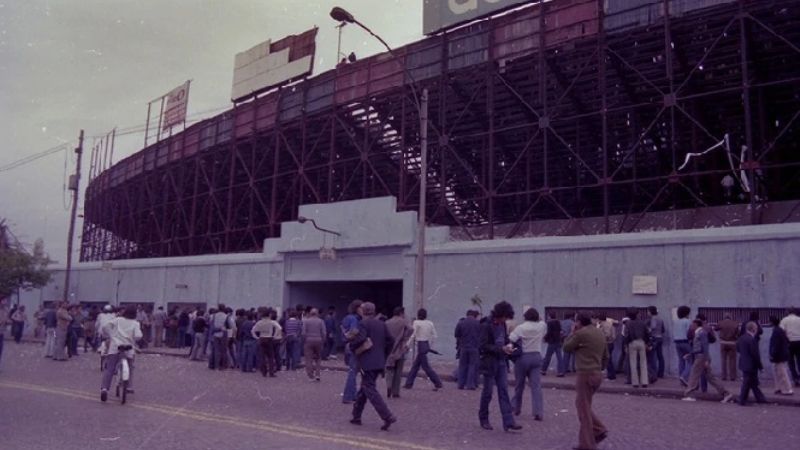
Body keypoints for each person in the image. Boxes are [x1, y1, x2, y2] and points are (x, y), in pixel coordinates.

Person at [564, 312, 609, 450]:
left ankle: (587, 444)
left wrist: (572, 332)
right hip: (597, 373)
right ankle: (598, 429)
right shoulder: (599, 332)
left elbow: (566, 347)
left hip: (584, 374)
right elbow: (606, 355)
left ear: (578, 322)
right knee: (584, 406)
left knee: (582, 409)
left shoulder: (580, 333)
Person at [348, 301, 397, 431]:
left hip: (366, 361)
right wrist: (384, 354)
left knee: (369, 388)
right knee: (364, 388)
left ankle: (387, 415)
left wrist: (351, 346)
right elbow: (391, 340)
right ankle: (356, 416)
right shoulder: (381, 324)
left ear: (363, 311)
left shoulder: (363, 323)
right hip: (379, 361)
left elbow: (360, 339)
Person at [478, 301, 521, 432]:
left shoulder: (502, 324)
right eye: (505, 317)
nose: (505, 320)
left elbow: (505, 338)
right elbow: (483, 346)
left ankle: (508, 422)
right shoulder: (486, 325)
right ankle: (484, 419)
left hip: (501, 361)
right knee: (488, 393)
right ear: (500, 314)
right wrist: (500, 349)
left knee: (503, 392)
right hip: (490, 362)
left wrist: (509, 345)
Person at [682, 319, 733, 403]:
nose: (691, 326)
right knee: (710, 377)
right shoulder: (699, 333)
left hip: (701, 358)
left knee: (694, 375)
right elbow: (699, 347)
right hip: (701, 357)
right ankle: (726, 393)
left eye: (692, 324)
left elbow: (705, 347)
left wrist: (705, 359)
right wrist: (690, 354)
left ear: (696, 324)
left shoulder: (701, 333)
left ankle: (689, 395)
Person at [509, 307, 546, 420]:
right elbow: (542, 320)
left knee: (519, 385)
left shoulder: (521, 327)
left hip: (523, 357)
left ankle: (516, 408)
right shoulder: (541, 326)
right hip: (536, 355)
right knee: (536, 386)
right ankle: (538, 412)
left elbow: (512, 338)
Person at [99, 305, 143, 402]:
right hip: (128, 347)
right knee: (130, 366)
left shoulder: (118, 320)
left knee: (109, 369)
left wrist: (112, 335)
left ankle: (105, 389)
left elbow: (105, 327)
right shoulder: (135, 323)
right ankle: (129, 386)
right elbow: (138, 336)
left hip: (115, 346)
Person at [404, 308, 444, 391]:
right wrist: (430, 345)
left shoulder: (416, 322)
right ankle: (408, 383)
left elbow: (413, 335)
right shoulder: (430, 323)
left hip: (420, 344)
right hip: (426, 344)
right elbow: (434, 336)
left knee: (426, 367)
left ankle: (438, 382)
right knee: (416, 366)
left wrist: (407, 344)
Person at [736, 321, 767, 406]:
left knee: (753, 383)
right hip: (751, 365)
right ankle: (742, 399)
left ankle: (760, 398)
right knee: (747, 383)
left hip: (743, 363)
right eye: (756, 328)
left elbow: (738, 349)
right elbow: (755, 355)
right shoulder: (752, 340)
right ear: (754, 329)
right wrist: (760, 367)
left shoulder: (741, 338)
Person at [385, 306, 412, 398]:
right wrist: (405, 337)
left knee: (389, 369)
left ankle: (388, 385)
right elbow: (411, 329)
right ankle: (395, 391)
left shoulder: (387, 322)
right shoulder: (403, 322)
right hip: (400, 348)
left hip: (389, 348)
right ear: (401, 313)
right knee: (398, 370)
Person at [341, 300, 363, 403]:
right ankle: (349, 395)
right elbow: (354, 332)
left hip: (347, 345)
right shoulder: (354, 319)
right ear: (357, 308)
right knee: (353, 372)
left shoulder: (347, 318)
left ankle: (353, 394)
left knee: (352, 370)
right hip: (353, 345)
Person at [455, 309, 481, 390]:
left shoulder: (461, 322)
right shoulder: (478, 323)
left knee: (462, 365)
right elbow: (481, 335)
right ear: (474, 315)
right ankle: (470, 384)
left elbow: (456, 334)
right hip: (474, 347)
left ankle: (460, 384)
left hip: (463, 347)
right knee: (472, 365)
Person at [768, 315, 794, 395]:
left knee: (782, 372)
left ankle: (788, 389)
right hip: (781, 354)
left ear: (772, 322)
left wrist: (772, 354)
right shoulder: (780, 330)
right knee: (778, 372)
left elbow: (775, 344)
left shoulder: (776, 331)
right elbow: (787, 341)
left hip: (779, 355)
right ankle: (779, 388)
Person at [625, 308, 650, 388]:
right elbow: (647, 333)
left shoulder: (628, 323)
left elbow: (627, 335)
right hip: (641, 342)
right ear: (637, 314)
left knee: (633, 363)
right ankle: (644, 382)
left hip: (632, 342)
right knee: (643, 362)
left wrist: (625, 345)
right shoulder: (642, 323)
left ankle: (635, 382)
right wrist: (647, 343)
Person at [252, 308, 281, 377]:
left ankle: (264, 372)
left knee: (262, 356)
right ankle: (271, 372)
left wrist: (256, 337)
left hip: (262, 338)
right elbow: (279, 328)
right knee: (271, 356)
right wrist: (274, 335)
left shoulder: (259, 322)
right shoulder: (271, 322)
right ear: (269, 315)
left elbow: (253, 330)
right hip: (269, 338)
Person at [302, 308, 326, 381]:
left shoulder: (306, 321)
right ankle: (317, 374)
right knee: (318, 358)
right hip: (319, 340)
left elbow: (303, 333)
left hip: (308, 340)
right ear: (317, 313)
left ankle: (310, 376)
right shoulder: (321, 321)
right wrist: (323, 341)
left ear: (310, 313)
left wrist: (304, 340)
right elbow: (324, 332)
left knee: (308, 359)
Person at [779, 307, 800, 387]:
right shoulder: (799, 319)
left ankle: (795, 379)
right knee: (799, 360)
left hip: (789, 342)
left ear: (788, 312)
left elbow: (781, 331)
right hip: (799, 341)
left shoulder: (784, 320)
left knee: (791, 362)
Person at [716, 314, 740, 381]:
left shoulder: (721, 322)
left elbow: (716, 328)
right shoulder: (735, 323)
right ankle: (732, 377)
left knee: (723, 360)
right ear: (731, 317)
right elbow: (738, 333)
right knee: (732, 360)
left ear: (724, 317)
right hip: (732, 343)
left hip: (723, 343)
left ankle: (724, 376)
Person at [673, 305, 693, 386]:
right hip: (686, 342)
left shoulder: (676, 321)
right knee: (690, 360)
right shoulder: (688, 321)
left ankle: (681, 378)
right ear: (686, 313)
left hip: (677, 342)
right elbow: (690, 332)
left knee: (681, 361)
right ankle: (684, 376)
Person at [541, 312, 564, 376]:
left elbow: (549, 332)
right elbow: (560, 331)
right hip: (558, 341)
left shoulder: (549, 323)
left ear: (549, 316)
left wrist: (545, 338)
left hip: (552, 341)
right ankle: (561, 371)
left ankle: (543, 370)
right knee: (559, 357)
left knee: (548, 356)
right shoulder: (558, 322)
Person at [209, 304, 230, 370]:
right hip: (223, 334)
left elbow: (211, 324)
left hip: (215, 334)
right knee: (223, 351)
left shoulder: (213, 316)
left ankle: (216, 365)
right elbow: (229, 326)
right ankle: (223, 365)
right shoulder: (226, 316)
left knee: (216, 350)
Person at [596, 313, 616, 380]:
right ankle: (610, 374)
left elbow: (607, 335)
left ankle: (611, 376)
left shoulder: (605, 325)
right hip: (610, 343)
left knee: (608, 360)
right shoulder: (609, 324)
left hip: (607, 344)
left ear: (599, 319)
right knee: (608, 360)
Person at [647, 306, 665, 379]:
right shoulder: (660, 319)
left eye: (648, 311)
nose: (647, 313)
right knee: (660, 356)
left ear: (651, 312)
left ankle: (653, 373)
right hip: (660, 337)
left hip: (654, 338)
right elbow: (663, 329)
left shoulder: (653, 318)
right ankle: (661, 373)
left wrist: (647, 329)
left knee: (652, 356)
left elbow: (653, 327)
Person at [0, 299, 8, 365]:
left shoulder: (6, 310)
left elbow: (6, 319)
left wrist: (7, 322)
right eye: (4, 300)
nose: (5, 302)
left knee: (0, 348)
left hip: (2, 331)